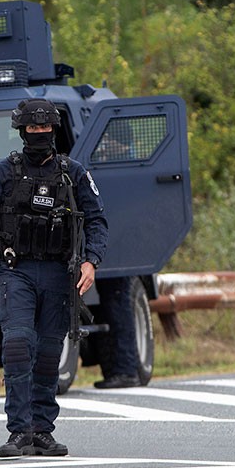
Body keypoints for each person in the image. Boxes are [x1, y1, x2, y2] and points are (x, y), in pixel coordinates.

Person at [0, 98, 108, 458]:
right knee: (18, 345)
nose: (38, 134)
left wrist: (91, 262)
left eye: (44, 128)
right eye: (32, 129)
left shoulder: (73, 173)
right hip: (16, 271)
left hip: (57, 273)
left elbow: (96, 219)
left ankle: (42, 430)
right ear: (23, 132)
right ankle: (18, 431)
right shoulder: (3, 173)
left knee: (49, 353)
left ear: (54, 130)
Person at [88, 117, 143, 390]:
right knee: (114, 307)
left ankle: (126, 369)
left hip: (120, 248)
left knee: (119, 306)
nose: (106, 147)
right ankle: (119, 369)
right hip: (118, 245)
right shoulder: (124, 164)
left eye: (112, 143)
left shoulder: (121, 166)